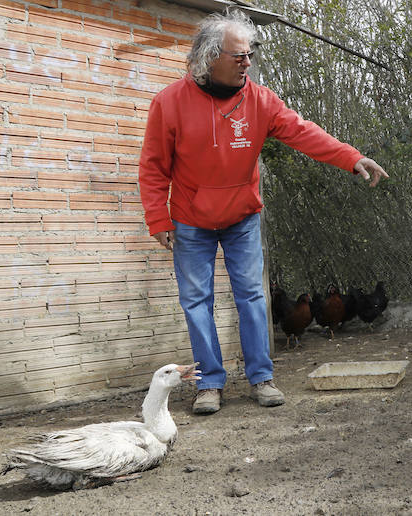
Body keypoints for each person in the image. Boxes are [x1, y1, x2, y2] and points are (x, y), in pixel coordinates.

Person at [138, 9, 388, 415]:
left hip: (241, 217)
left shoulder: (260, 100)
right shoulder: (169, 103)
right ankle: (209, 384)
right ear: (209, 58)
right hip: (190, 219)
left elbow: (303, 131)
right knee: (195, 301)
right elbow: (152, 166)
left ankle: (261, 377)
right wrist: (158, 217)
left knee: (253, 296)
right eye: (238, 56)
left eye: (250, 54)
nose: (247, 62)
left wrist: (351, 157)